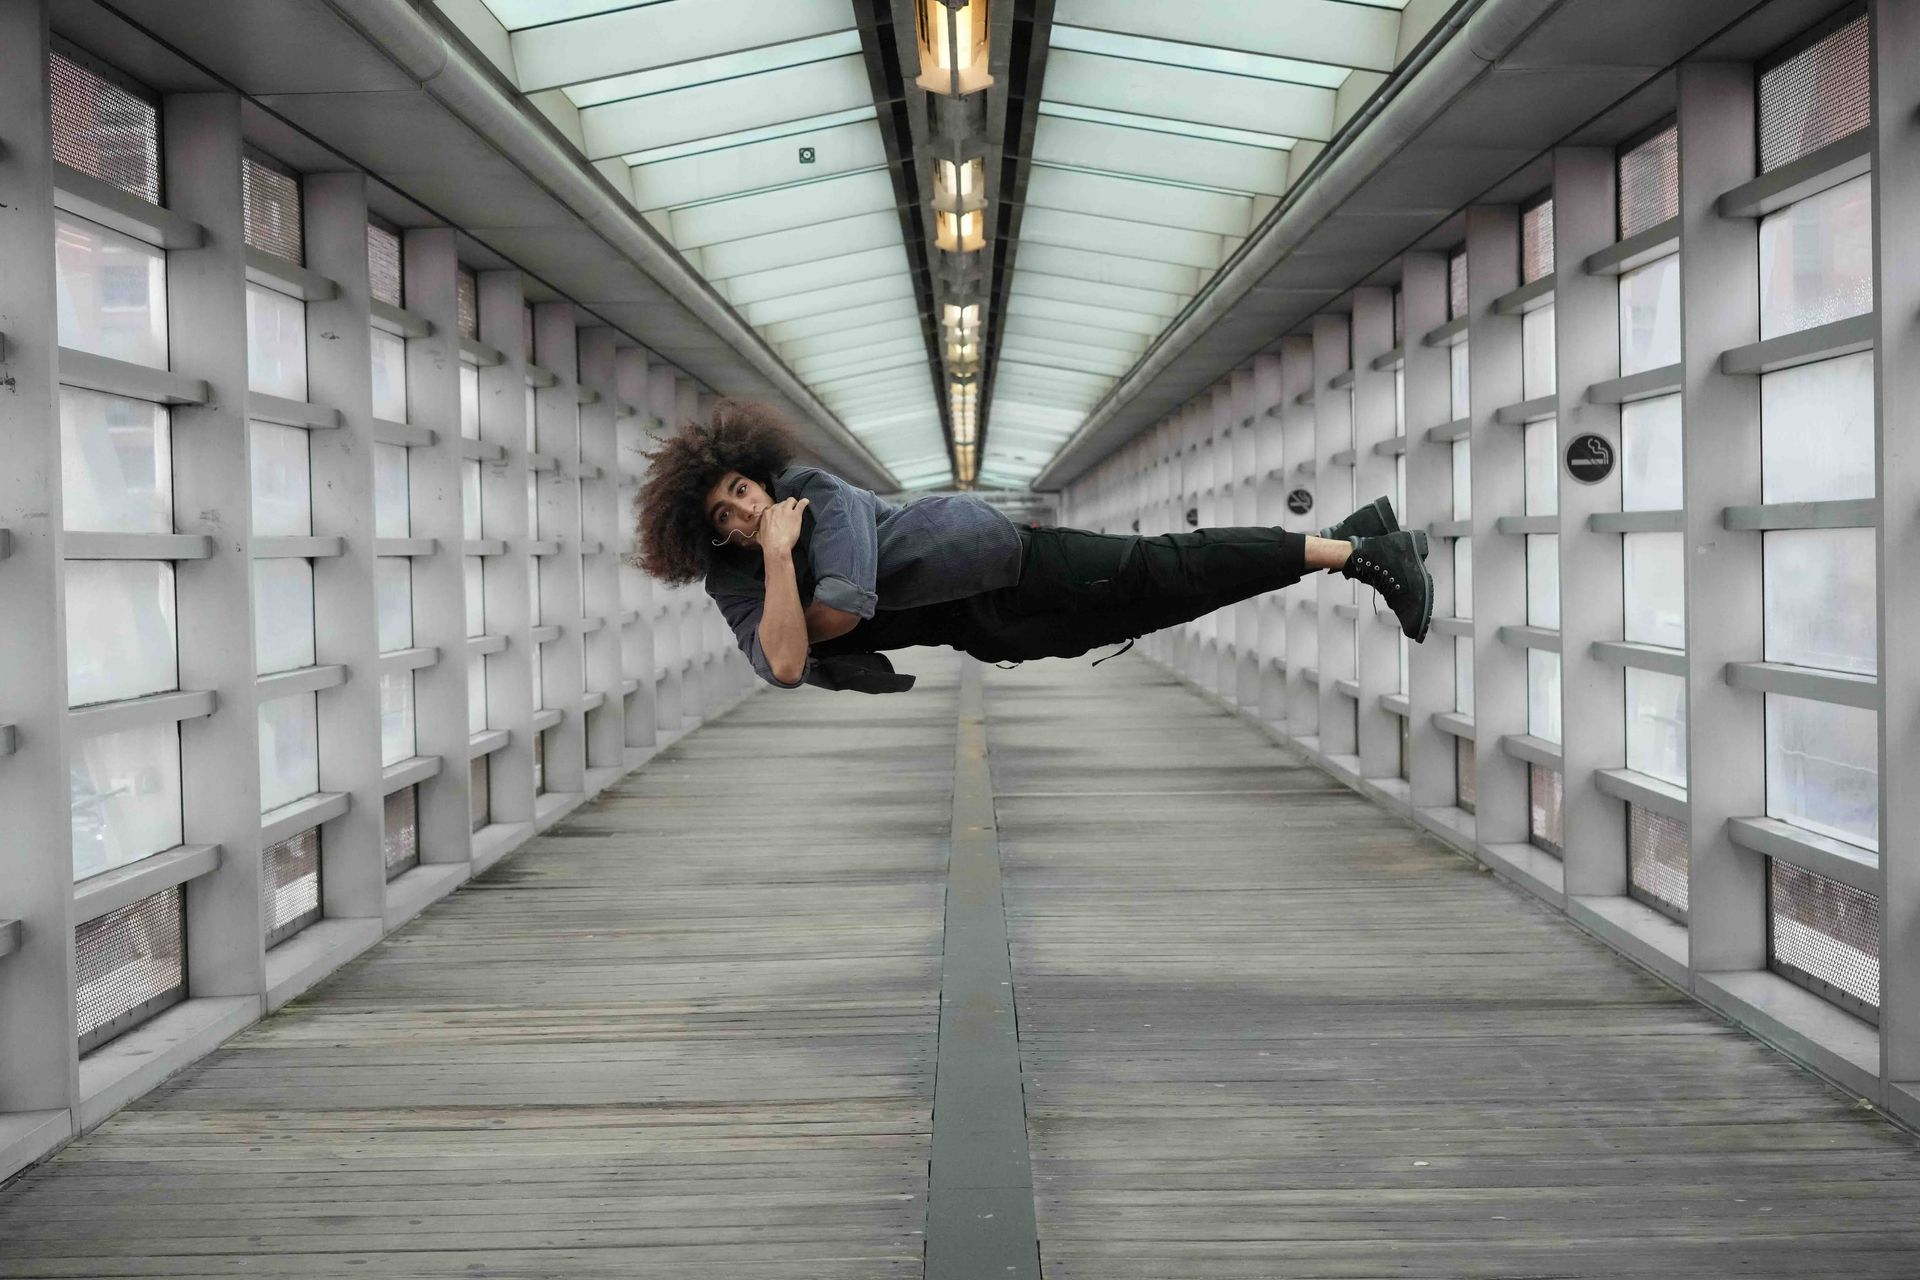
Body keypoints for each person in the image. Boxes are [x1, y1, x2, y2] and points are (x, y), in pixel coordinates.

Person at [632, 400, 1432, 695]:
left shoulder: (818, 494)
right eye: (724, 514)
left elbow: (837, 614)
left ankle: (1358, 555)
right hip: (986, 623)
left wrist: (786, 584)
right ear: (711, 537)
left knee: (1167, 568)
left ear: (759, 477)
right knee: (1155, 604)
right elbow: (781, 667)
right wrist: (776, 563)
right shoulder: (735, 576)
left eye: (742, 490)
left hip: (1007, 560)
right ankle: (1350, 536)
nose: (745, 512)